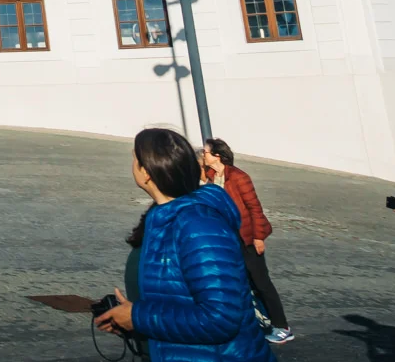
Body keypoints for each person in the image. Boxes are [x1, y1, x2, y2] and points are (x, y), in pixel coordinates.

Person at [95, 128, 273, 360]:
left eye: (134, 158)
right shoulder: (164, 217)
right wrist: (132, 317)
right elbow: (180, 296)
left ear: (147, 172)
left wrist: (138, 316)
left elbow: (221, 318)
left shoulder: (199, 225)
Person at [202, 138, 291, 345]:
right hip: (229, 239)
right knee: (242, 282)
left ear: (217, 156)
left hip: (248, 239)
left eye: (205, 152)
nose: (203, 155)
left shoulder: (239, 177)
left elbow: (254, 208)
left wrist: (259, 237)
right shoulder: (212, 176)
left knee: (261, 283)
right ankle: (259, 322)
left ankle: (282, 326)